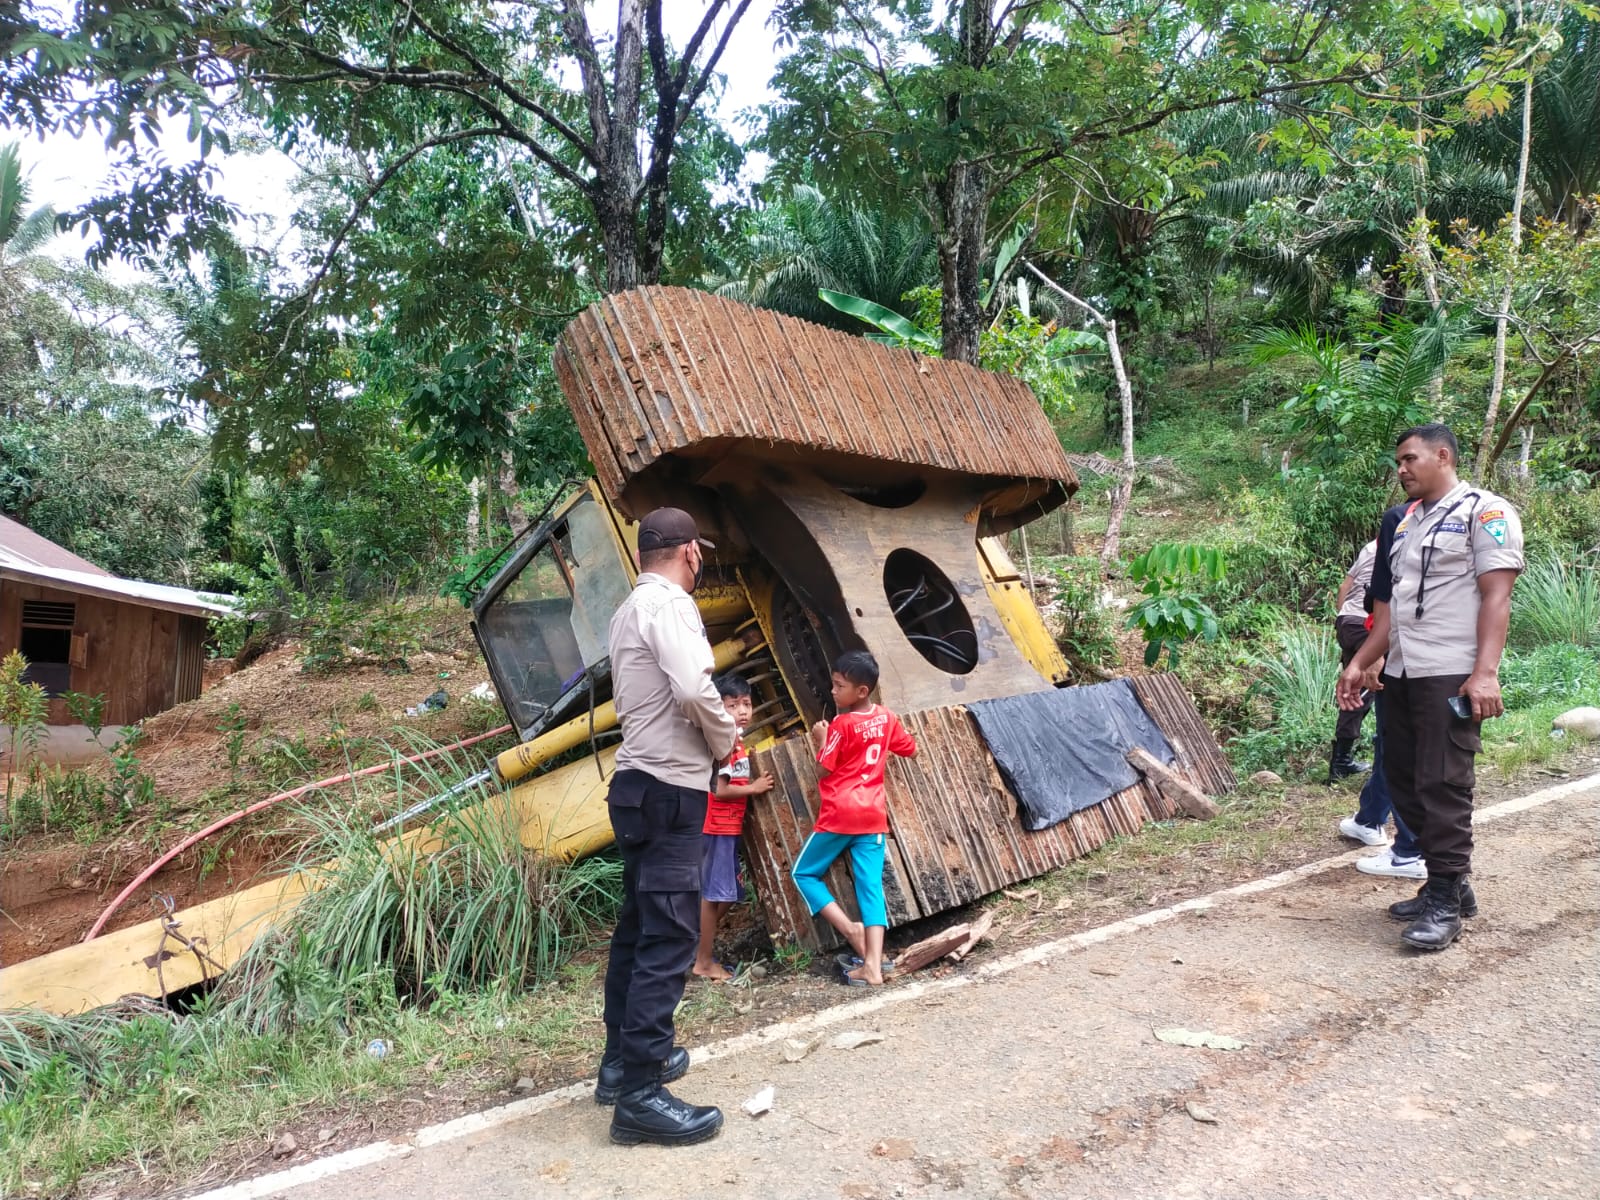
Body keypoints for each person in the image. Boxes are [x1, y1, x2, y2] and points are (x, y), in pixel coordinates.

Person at [1337, 424, 1523, 951]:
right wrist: (1361, 664)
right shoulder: (1406, 524)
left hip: (1450, 668)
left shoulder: (1484, 513)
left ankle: (1443, 895)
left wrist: (1484, 672)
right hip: (1400, 670)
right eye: (1397, 461)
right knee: (1401, 777)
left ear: (1443, 456)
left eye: (1409, 459)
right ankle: (1450, 883)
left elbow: (1496, 598)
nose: (1401, 470)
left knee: (1443, 781)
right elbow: (1390, 611)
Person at [595, 507, 738, 1146]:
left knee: (637, 929)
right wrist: (727, 736)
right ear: (688, 553)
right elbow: (691, 687)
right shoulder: (673, 606)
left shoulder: (628, 609)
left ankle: (621, 1064)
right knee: (671, 937)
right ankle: (642, 1096)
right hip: (670, 790)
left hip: (634, 788)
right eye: (699, 552)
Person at [790, 650, 917, 987]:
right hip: (873, 815)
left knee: (802, 873)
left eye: (839, 685)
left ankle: (849, 930)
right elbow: (910, 748)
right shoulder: (887, 718)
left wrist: (821, 739)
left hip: (840, 812)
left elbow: (822, 769)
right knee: (871, 890)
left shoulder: (842, 726)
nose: (833, 691)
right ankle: (873, 964)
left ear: (861, 691)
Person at [1336, 506, 1424, 879]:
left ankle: (1407, 846)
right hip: (1378, 632)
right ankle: (1375, 821)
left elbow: (1354, 592)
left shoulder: (1393, 544)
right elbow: (1380, 605)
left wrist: (1345, 621)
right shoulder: (1395, 543)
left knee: (1397, 737)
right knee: (1390, 731)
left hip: (1385, 637)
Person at [693, 673, 774, 981]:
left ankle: (695, 944)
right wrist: (753, 788)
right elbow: (720, 790)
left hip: (726, 828)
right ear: (719, 708)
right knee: (714, 896)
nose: (742, 710)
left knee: (725, 894)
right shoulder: (725, 742)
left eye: (747, 703)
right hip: (717, 827)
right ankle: (702, 961)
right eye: (733, 705)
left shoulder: (735, 742)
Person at [1328, 539, 1377, 781]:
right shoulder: (1401, 543)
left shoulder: (1370, 547)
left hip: (1347, 620)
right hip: (1367, 624)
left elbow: (1343, 587)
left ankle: (1341, 761)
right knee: (1370, 687)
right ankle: (1342, 760)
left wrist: (1342, 617)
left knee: (1354, 687)